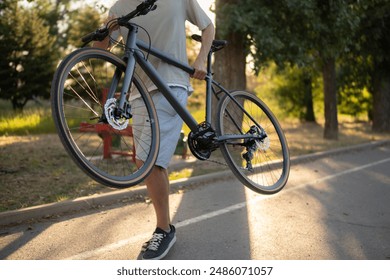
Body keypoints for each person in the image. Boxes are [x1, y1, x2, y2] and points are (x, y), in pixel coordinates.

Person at [94, 0, 215, 260]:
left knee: (150, 159)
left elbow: (208, 26)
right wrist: (105, 28)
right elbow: (99, 49)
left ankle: (164, 228)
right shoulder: (119, 6)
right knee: (144, 160)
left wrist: (201, 58)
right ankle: (165, 226)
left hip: (171, 82)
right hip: (138, 91)